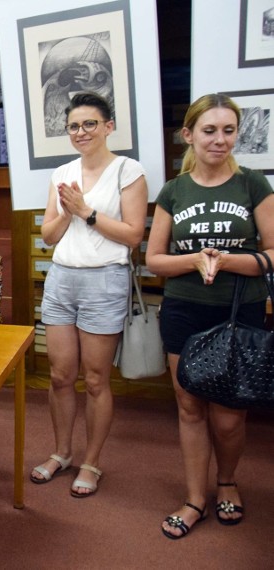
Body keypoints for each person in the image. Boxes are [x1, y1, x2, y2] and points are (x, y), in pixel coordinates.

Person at [147, 94, 274, 539]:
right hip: (184, 308)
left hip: (240, 310)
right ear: (189, 135)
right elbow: (154, 260)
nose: (220, 139)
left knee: (228, 414)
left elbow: (273, 253)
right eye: (209, 130)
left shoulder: (253, 184)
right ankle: (195, 497)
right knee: (189, 406)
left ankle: (228, 481)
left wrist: (226, 261)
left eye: (228, 130)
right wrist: (195, 261)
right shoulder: (174, 190)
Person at [30, 92, 148, 498]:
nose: (81, 132)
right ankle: (61, 453)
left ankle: (92, 462)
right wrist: (67, 210)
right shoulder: (62, 173)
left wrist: (87, 212)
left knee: (96, 379)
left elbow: (134, 235)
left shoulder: (128, 171)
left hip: (105, 280)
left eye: (89, 124)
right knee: (61, 376)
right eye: (74, 126)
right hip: (62, 278)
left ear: (108, 127)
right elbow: (47, 236)